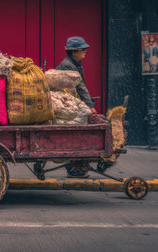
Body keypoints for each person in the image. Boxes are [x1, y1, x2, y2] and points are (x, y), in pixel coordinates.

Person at [56, 36, 97, 178]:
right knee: (75, 134)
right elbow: (80, 87)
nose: (85, 51)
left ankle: (76, 166)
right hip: (66, 104)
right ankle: (73, 167)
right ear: (74, 51)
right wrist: (90, 106)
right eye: (82, 49)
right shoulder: (68, 65)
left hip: (70, 101)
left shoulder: (75, 63)